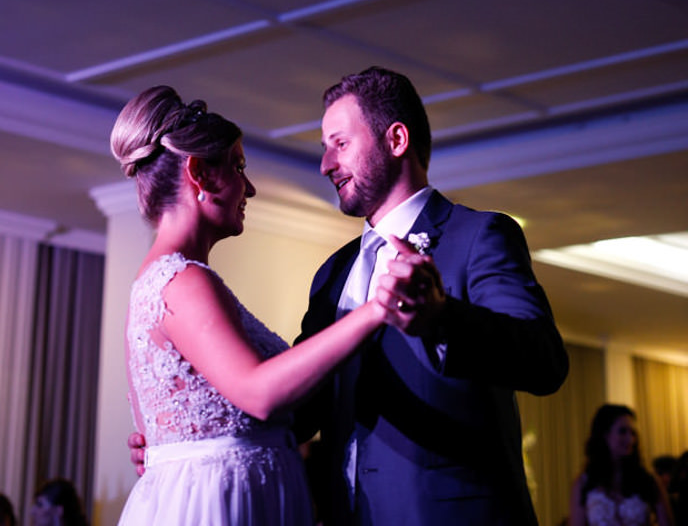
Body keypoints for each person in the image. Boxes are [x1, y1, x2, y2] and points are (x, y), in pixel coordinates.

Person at [128, 66, 569, 525]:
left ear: (396, 141)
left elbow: (545, 361)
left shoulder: (479, 235)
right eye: (324, 149)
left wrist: (439, 317)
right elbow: (300, 407)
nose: (325, 165)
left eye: (340, 144)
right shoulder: (333, 273)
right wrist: (185, 438)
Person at [112, 85, 412, 526]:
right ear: (201, 174)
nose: (248, 187)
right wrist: (376, 309)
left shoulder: (163, 279)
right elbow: (260, 394)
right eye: (237, 166)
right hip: (222, 507)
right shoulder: (182, 279)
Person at [569, 403, 673, 526]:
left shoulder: (648, 480)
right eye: (622, 431)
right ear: (605, 435)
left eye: (633, 433)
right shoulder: (584, 483)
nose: (630, 439)